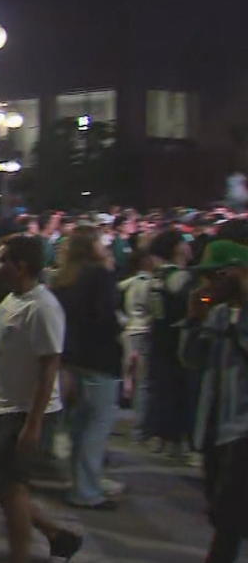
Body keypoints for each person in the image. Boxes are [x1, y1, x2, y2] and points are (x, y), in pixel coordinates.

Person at [0, 236, 83, 563]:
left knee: (13, 486)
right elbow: (0, 351)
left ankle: (20, 556)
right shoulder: (12, 300)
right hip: (2, 405)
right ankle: (54, 534)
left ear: (20, 266)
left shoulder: (43, 307)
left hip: (23, 411)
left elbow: (49, 365)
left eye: (2, 259)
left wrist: (33, 424)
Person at [179, 240, 248, 563]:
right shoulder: (216, 313)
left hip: (242, 432)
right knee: (221, 514)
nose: (207, 285)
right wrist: (194, 321)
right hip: (214, 429)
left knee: (229, 521)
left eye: (215, 276)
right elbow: (191, 359)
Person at [52, 226, 124, 510]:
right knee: (96, 427)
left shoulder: (62, 280)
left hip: (74, 360)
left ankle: (81, 483)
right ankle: (87, 490)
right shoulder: (100, 276)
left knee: (79, 427)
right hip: (101, 358)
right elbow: (106, 318)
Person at [146, 230, 197, 458]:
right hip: (177, 342)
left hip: (159, 339)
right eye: (184, 242)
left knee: (162, 390)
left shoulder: (157, 276)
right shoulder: (180, 278)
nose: (189, 246)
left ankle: (162, 437)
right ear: (177, 248)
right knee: (178, 391)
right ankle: (177, 440)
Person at [118, 249, 155, 440]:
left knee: (128, 379)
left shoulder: (127, 283)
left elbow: (114, 303)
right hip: (143, 333)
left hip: (128, 331)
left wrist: (124, 321)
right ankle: (139, 428)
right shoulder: (152, 284)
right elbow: (155, 311)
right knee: (142, 382)